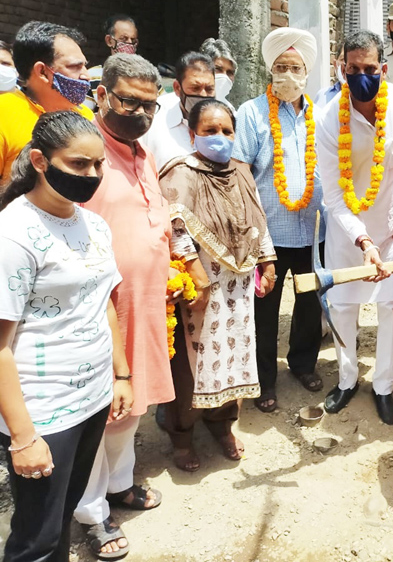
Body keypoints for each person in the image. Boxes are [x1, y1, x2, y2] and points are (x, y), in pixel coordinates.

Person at [0, 111, 133, 562]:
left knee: (59, 521)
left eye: (98, 164)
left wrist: (121, 375)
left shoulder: (93, 224)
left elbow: (104, 303)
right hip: (44, 411)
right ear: (40, 161)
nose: (92, 175)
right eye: (78, 164)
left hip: (92, 399)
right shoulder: (14, 236)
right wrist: (23, 437)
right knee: (36, 540)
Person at [76, 54, 173, 559]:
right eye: (129, 102)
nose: (140, 113)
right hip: (101, 311)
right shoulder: (83, 154)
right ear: (101, 95)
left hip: (147, 302)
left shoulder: (143, 152)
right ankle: (91, 512)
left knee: (132, 405)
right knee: (99, 412)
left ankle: (119, 485)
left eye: (149, 105)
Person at [159, 99, 276, 470]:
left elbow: (258, 218)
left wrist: (268, 262)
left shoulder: (240, 170)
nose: (219, 137)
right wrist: (196, 274)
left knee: (234, 354)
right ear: (192, 133)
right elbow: (174, 227)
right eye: (210, 131)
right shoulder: (181, 172)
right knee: (192, 364)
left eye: (226, 131)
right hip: (199, 285)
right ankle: (181, 438)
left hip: (238, 285)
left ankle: (222, 425)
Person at [317, 30, 393, 424]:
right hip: (349, 235)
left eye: (370, 69)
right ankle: (346, 380)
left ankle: (384, 386)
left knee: (390, 308)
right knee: (343, 308)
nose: (362, 76)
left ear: (384, 68)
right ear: (341, 69)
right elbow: (333, 197)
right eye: (354, 69)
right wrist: (362, 240)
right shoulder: (328, 119)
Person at [232, 27, 325, 413]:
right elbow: (240, 172)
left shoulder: (321, 114)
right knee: (264, 311)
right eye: (281, 67)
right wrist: (254, 234)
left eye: (296, 67)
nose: (289, 74)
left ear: (307, 73)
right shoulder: (251, 113)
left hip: (314, 232)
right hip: (268, 234)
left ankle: (303, 364)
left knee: (310, 305)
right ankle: (264, 379)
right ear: (271, 71)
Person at [0, 21, 93, 184]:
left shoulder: (87, 117)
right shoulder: (4, 113)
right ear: (42, 71)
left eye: (84, 66)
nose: (86, 76)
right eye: (74, 66)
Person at [141, 51, 215, 169]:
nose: (203, 95)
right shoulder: (153, 120)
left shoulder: (225, 120)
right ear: (177, 88)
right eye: (195, 88)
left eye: (209, 89)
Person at [86, 14, 139, 111]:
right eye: (123, 39)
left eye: (133, 40)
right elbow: (83, 115)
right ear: (109, 41)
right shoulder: (92, 77)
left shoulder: (147, 78)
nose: (129, 44)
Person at [200, 38, 237, 111]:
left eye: (229, 72)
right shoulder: (180, 104)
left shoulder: (231, 112)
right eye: (218, 69)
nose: (224, 76)